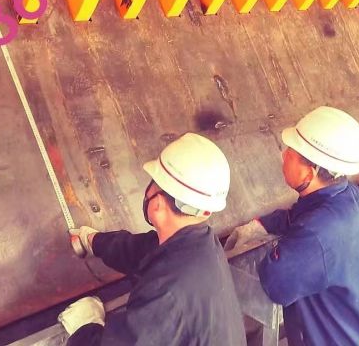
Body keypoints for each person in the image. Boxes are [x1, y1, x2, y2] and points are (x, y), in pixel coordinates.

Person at [225, 106, 359, 346]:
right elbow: (300, 215)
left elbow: (276, 283)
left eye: (292, 152)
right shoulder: (349, 196)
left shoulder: (318, 234)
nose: (284, 155)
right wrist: (262, 224)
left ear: (311, 171)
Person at [58, 133, 246, 345]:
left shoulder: (166, 294)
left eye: (153, 183)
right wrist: (93, 241)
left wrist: (85, 326)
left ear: (157, 204)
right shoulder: (201, 244)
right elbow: (140, 250)